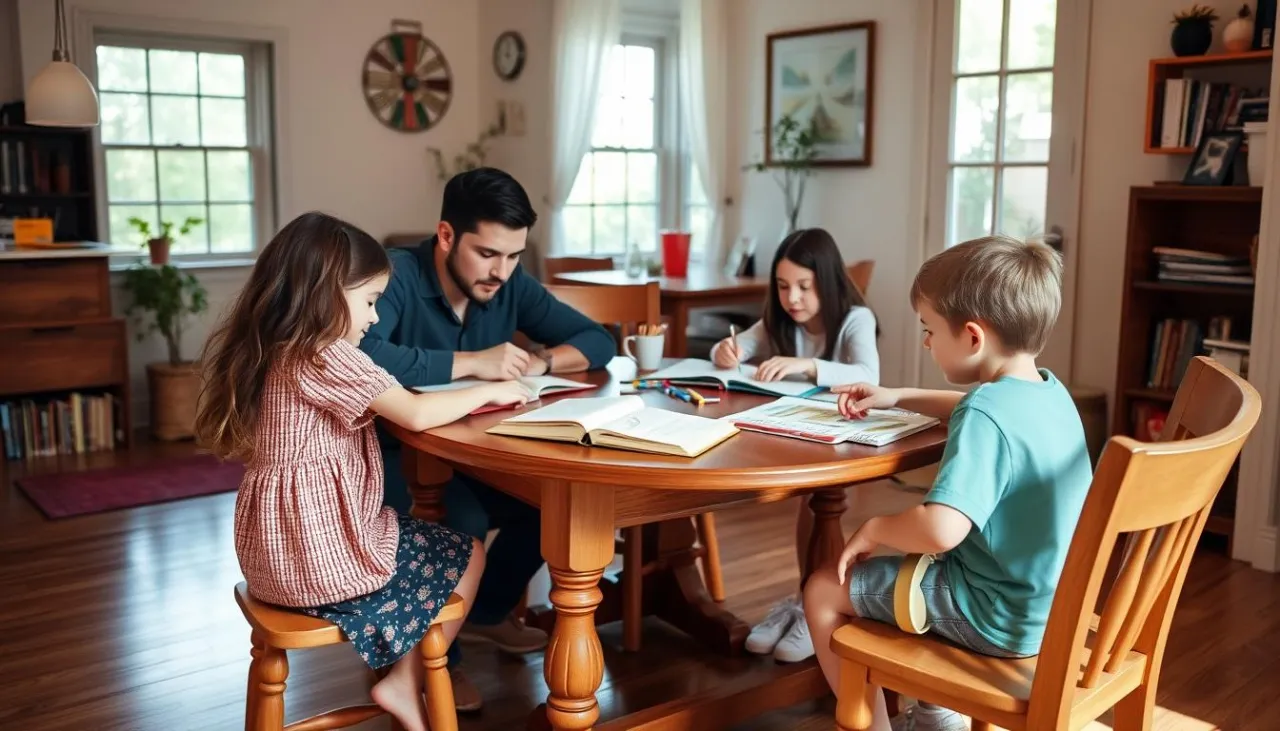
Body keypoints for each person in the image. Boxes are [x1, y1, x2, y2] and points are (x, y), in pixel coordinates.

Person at [196, 212, 534, 731]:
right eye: (370, 302)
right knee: (467, 552)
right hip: (319, 558)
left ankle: (400, 673)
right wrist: (492, 388)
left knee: (422, 536)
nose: (375, 319)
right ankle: (404, 680)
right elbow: (416, 412)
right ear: (326, 293)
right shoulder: (325, 352)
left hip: (271, 557)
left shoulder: (274, 347)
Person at [802, 235, 1093, 731]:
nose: (926, 342)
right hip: (1051, 613)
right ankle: (938, 710)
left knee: (825, 587)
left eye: (930, 329)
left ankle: (883, 725)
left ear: (973, 338)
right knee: (915, 567)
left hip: (990, 617)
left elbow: (941, 530)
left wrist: (874, 528)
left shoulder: (986, 412)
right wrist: (896, 396)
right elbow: (971, 406)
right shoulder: (1049, 393)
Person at [359, 167, 616, 710]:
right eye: (488, 254)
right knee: (463, 523)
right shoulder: (399, 275)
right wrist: (474, 363)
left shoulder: (510, 283)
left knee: (549, 503)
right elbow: (363, 355)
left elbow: (597, 340)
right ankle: (435, 665)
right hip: (391, 457)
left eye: (514, 255)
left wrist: (541, 359)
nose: (502, 271)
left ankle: (481, 617)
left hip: (473, 454)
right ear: (447, 235)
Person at [709, 228, 880, 663]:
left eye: (805, 286)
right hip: (798, 432)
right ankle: (807, 597)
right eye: (783, 287)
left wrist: (806, 364)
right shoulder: (779, 321)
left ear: (828, 280)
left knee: (819, 505)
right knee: (808, 508)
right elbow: (737, 346)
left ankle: (818, 605)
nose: (793, 298)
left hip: (842, 438)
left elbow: (868, 374)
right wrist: (727, 352)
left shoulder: (855, 319)